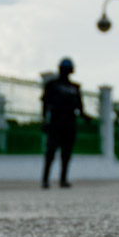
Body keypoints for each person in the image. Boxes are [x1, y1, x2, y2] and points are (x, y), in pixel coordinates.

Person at [41, 57, 90, 189]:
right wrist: (45, 120)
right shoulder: (52, 85)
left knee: (66, 153)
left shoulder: (75, 88)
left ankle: (63, 179)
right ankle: (45, 179)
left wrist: (85, 117)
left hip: (70, 123)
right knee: (51, 151)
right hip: (56, 121)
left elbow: (80, 107)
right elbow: (45, 104)